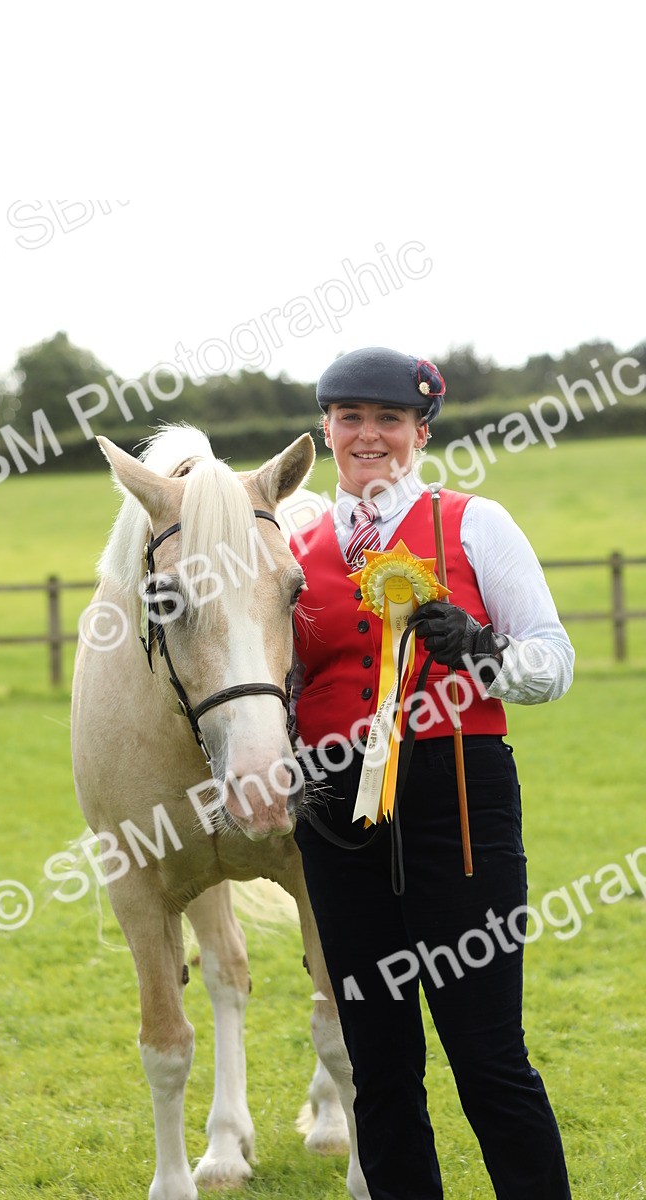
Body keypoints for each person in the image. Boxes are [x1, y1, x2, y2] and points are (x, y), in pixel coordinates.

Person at [289, 346, 574, 1200]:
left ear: (419, 431)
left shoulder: (476, 523)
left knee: (488, 1057)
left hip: (459, 795)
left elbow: (554, 663)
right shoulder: (293, 549)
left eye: (388, 420)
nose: (368, 435)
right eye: (351, 419)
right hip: (337, 812)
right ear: (327, 430)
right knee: (377, 1063)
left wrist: (483, 653)